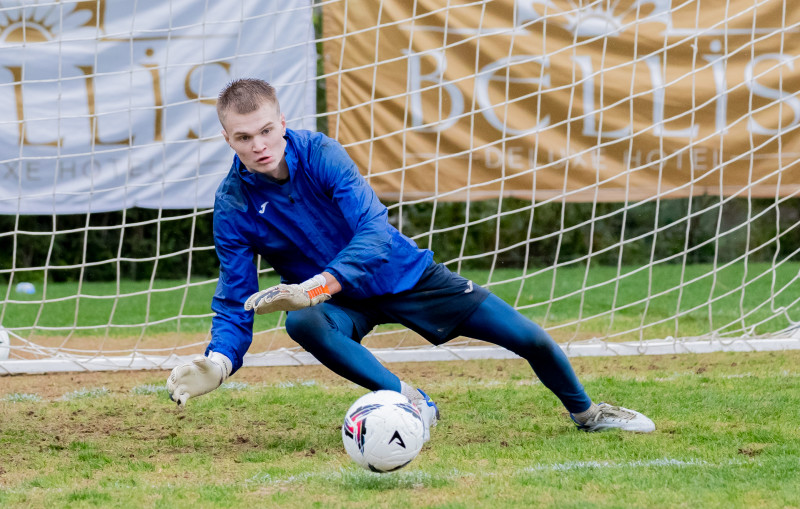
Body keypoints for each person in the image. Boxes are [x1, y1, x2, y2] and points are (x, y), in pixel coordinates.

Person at [166, 78, 655, 438]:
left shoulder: (322, 154)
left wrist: (316, 286)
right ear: (228, 140)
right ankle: (412, 402)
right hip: (342, 306)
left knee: (531, 339)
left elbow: (375, 232)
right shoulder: (233, 205)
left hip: (403, 274)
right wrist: (221, 359)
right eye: (244, 138)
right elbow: (236, 296)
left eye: (266, 131)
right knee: (303, 325)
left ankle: (588, 414)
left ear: (283, 124)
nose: (259, 146)